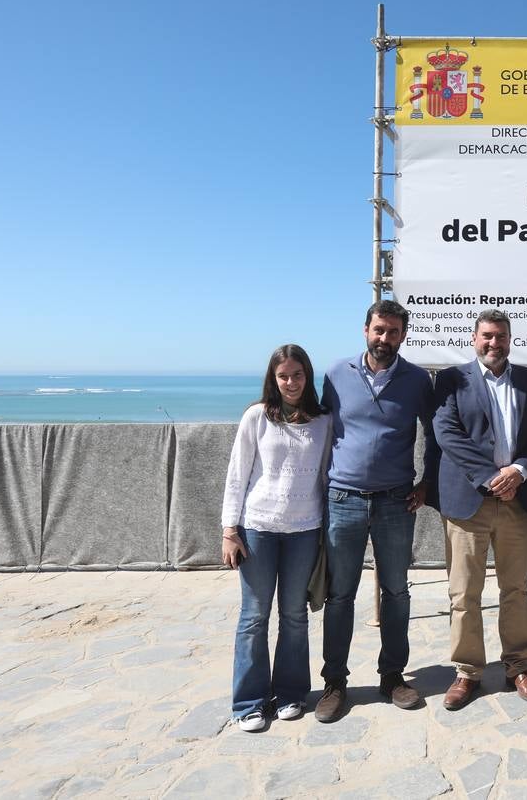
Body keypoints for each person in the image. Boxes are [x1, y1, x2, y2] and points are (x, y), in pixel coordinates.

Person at [314, 300, 437, 722]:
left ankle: (393, 676)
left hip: (395, 501)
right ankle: (334, 682)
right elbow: (317, 428)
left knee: (397, 593)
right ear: (365, 329)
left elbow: (435, 435)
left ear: (404, 335)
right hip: (343, 499)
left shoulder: (418, 380)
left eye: (393, 332)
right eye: (379, 330)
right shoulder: (335, 374)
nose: (385, 339)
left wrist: (426, 484)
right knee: (340, 595)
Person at [432, 309, 527, 710]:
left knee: (516, 589)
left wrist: (518, 471)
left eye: (500, 336)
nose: (493, 343)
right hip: (469, 503)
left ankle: (519, 666)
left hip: (516, 501)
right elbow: (446, 432)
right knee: (464, 592)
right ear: (474, 338)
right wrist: (490, 476)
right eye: (486, 336)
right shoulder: (450, 379)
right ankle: (467, 672)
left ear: (510, 338)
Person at [221, 344, 331, 732]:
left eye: (297, 375)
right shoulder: (256, 417)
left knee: (294, 616)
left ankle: (290, 694)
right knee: (253, 616)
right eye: (283, 375)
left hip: (305, 529)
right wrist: (229, 530)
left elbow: (323, 475)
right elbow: (238, 474)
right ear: (273, 378)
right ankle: (249, 701)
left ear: (308, 376)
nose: (290, 382)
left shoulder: (322, 420)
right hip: (258, 529)